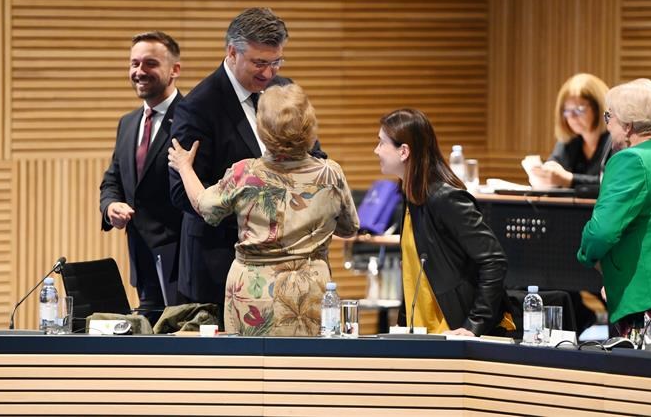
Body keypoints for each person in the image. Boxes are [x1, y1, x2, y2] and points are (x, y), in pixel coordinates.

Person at [168, 7, 324, 323]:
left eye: (276, 62)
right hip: (219, 263)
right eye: (259, 63)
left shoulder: (284, 90)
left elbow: (315, 155)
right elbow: (181, 194)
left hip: (287, 266)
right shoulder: (197, 107)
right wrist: (260, 213)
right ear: (232, 52)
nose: (268, 73)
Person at [168, 83, 359, 335]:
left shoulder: (244, 173)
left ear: (263, 128)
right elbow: (349, 227)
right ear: (309, 124)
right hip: (310, 293)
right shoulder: (331, 173)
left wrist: (184, 167)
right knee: (307, 359)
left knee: (248, 359)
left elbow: (204, 206)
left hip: (251, 294)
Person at [375, 109, 515, 337]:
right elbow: (414, 273)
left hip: (454, 334)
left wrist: (474, 325)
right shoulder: (409, 197)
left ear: (404, 151)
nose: (376, 150)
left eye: (382, 143)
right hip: (423, 335)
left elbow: (494, 261)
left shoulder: (445, 198)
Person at [577, 79, 651, 338]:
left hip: (646, 298)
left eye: (609, 117)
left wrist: (586, 254)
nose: (607, 126)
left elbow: (601, 232)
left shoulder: (631, 160)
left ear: (628, 125)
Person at [100, 31, 184, 321]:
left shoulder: (192, 119)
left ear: (174, 70)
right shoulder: (127, 123)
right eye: (134, 63)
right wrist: (110, 206)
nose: (139, 71)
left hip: (183, 265)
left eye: (150, 63)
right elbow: (112, 180)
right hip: (143, 264)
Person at [531, 73, 611, 194]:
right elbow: (555, 165)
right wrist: (546, 173)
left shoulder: (617, 141)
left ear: (598, 108)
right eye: (567, 110)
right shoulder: (569, 141)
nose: (572, 117)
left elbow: (612, 183)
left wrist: (570, 180)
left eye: (579, 109)